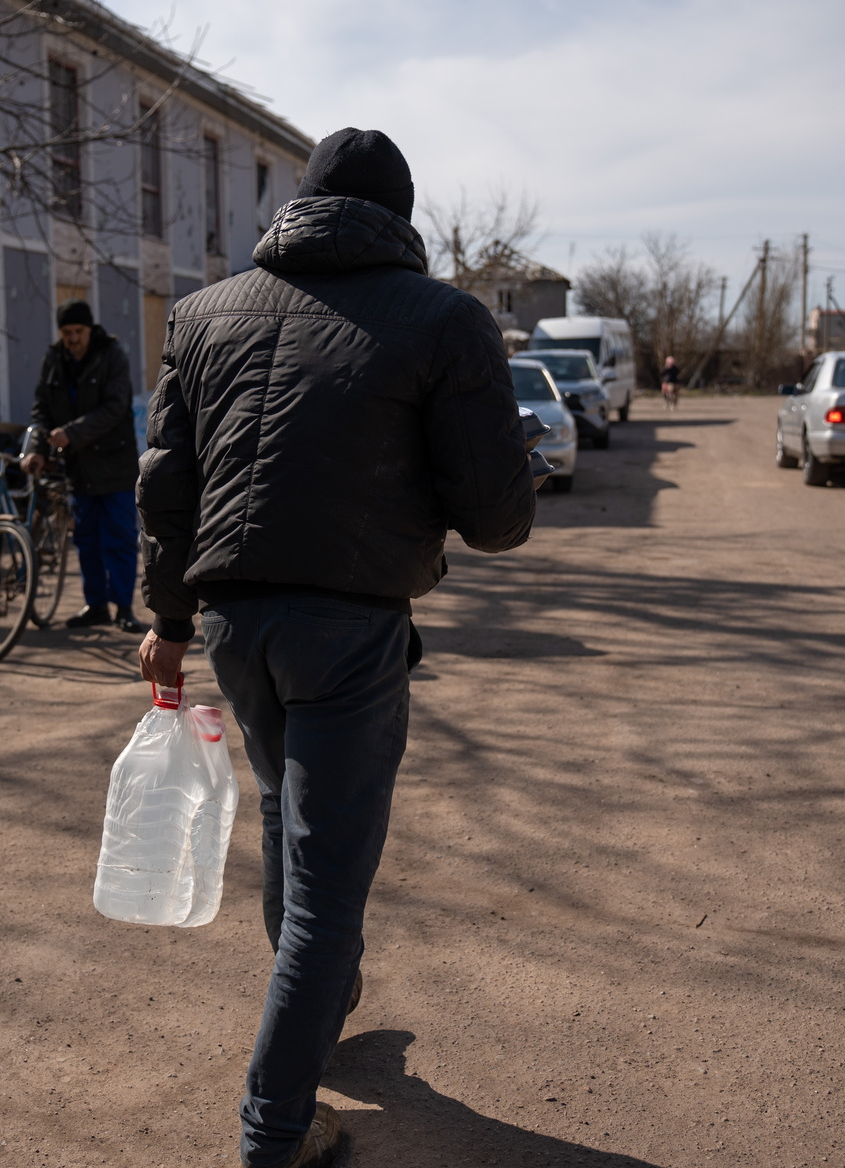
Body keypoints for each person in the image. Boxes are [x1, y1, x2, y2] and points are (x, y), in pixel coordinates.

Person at [136, 128, 537, 1168]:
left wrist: (167, 623)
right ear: (400, 218)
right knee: (325, 888)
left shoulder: (202, 313)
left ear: (299, 206)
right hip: (349, 629)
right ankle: (275, 1130)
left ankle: (322, 1005)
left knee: (290, 822)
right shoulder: (446, 320)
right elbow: (497, 520)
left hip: (231, 625)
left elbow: (167, 488)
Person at [22, 300, 143, 634]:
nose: (73, 339)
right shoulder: (54, 360)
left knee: (118, 538)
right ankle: (97, 605)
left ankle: (124, 608)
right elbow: (41, 409)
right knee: (86, 540)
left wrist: (70, 433)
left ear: (90, 329)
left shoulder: (111, 356)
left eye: (78, 332)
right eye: (67, 333)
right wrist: (37, 449)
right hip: (78, 468)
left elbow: (116, 407)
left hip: (114, 464)